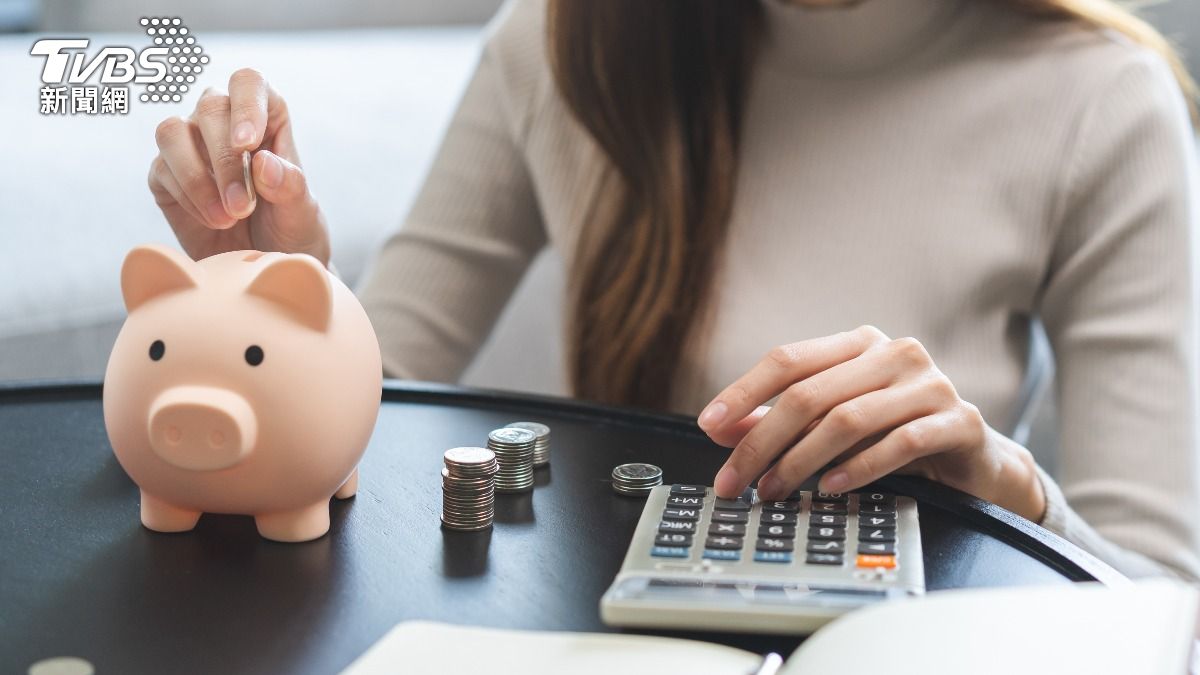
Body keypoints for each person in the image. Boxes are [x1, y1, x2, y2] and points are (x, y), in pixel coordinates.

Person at [146, 0, 1200, 580]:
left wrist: (1006, 483)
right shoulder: (560, 39)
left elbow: (1164, 601)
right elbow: (378, 403)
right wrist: (267, 291)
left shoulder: (1103, 99)